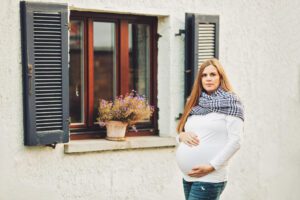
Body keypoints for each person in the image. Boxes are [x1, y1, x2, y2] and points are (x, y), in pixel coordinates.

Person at [175, 58, 244, 200]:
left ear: (221, 77)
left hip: (210, 177)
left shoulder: (231, 103)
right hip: (188, 177)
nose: (208, 79)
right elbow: (182, 131)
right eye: (204, 75)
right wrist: (180, 136)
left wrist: (212, 166)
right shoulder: (195, 104)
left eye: (213, 74)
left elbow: (236, 141)